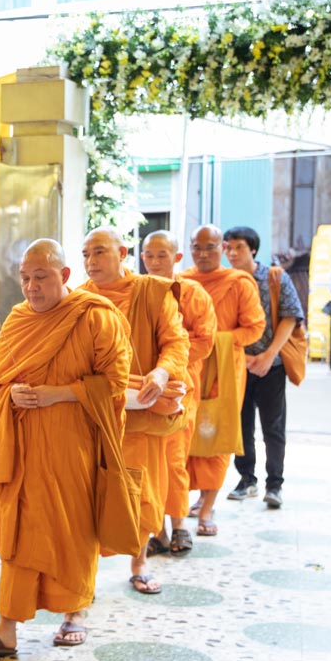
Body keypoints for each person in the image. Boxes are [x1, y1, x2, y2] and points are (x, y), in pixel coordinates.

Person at [0, 238, 134, 654]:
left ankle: (75, 610)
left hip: (73, 445)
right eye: (25, 278)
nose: (31, 286)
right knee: (19, 530)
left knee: (71, 526)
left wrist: (57, 394)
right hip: (22, 447)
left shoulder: (95, 317)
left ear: (64, 276)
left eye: (40, 277)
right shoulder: (20, 319)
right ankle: (6, 626)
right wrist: (12, 395)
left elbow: (115, 383)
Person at [79, 227, 189, 595]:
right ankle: (84, 573)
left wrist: (161, 372)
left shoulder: (153, 291)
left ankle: (139, 562)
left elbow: (176, 343)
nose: (91, 262)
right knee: (90, 493)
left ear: (122, 252)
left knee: (140, 493)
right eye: (85, 255)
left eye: (99, 252)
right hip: (95, 413)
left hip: (141, 409)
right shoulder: (78, 299)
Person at [182, 225, 265, 537]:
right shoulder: (183, 281)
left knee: (217, 437)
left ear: (223, 248)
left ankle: (206, 508)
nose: (203, 254)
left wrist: (218, 340)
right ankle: (187, 500)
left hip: (226, 371)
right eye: (197, 247)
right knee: (186, 436)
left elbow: (255, 327)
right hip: (189, 366)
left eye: (211, 247)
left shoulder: (238, 282)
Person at [140, 231, 217, 556]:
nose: (155, 262)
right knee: (149, 460)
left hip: (181, 385)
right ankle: (155, 529)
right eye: (149, 256)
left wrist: (168, 362)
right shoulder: (138, 291)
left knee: (174, 459)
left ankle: (180, 524)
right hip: (142, 386)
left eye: (161, 256)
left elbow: (204, 340)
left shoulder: (194, 294)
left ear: (176, 258)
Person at [223, 227, 305, 509]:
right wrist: (242, 358)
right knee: (240, 426)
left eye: (239, 247)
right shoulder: (226, 281)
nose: (232, 253)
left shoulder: (274, 276)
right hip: (237, 365)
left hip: (273, 364)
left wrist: (269, 355)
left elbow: (291, 316)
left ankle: (275, 485)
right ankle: (247, 479)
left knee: (273, 427)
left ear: (253, 249)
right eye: (228, 248)